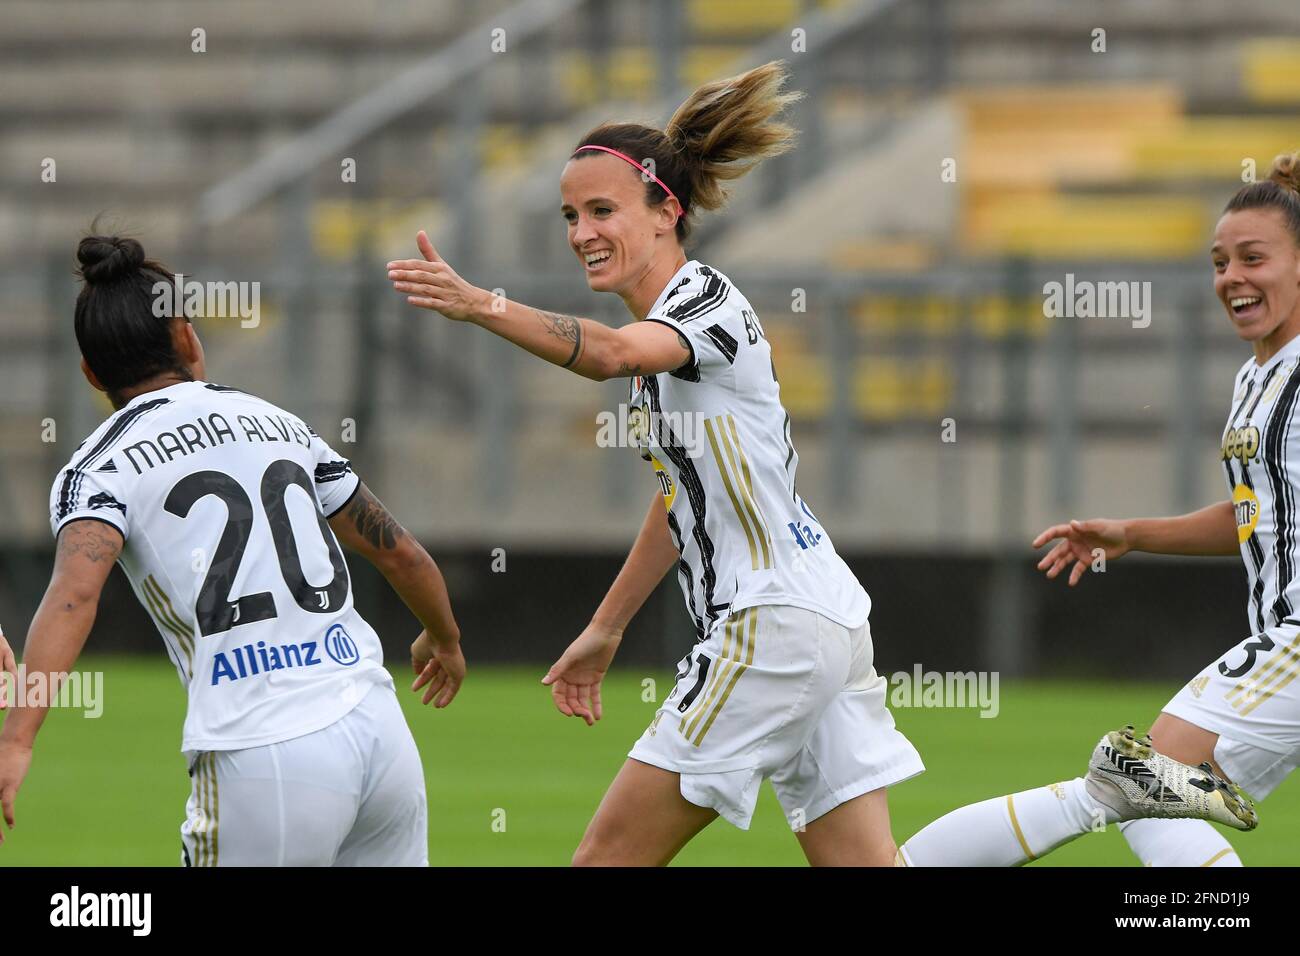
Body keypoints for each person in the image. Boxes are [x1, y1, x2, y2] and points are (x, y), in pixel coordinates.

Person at [387, 60, 925, 866]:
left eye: (603, 210)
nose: (581, 233)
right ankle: (1088, 797)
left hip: (770, 625)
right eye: (570, 214)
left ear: (666, 211)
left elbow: (602, 354)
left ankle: (1090, 796)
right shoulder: (669, 345)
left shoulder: (703, 304)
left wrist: (482, 304)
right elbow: (682, 500)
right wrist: (607, 627)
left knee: (604, 861)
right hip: (823, 621)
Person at [0, 234, 465, 866]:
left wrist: (18, 738)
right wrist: (445, 638)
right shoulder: (279, 422)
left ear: (91, 374)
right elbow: (400, 552)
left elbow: (74, 596)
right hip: (377, 731)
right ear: (187, 339)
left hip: (260, 747)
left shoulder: (98, 468)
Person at [897, 154, 1300, 866]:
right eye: (1218, 262)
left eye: (1253, 258)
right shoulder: (1257, 377)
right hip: (1279, 636)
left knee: (1145, 777)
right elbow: (1260, 516)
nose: (1230, 278)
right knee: (1129, 793)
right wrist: (1133, 534)